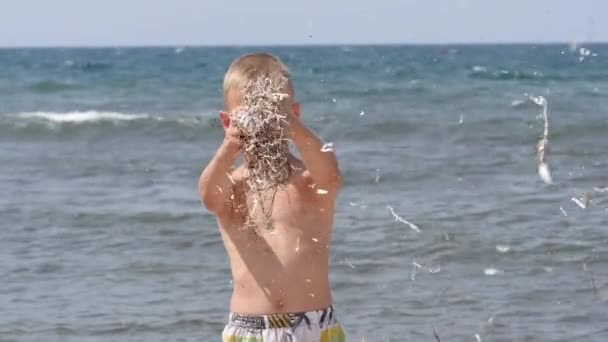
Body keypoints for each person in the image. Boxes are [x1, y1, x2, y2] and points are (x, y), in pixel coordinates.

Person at [198, 52, 347, 341]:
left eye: (273, 115)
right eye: (250, 115)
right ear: (227, 121)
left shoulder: (308, 180)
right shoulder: (233, 186)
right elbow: (208, 198)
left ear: (295, 113)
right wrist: (230, 145)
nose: (264, 125)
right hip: (249, 328)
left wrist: (289, 123)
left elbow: (331, 175)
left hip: (315, 327)